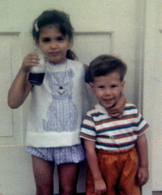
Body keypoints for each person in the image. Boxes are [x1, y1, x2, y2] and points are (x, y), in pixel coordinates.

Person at [8, 10, 126, 195]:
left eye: (59, 39)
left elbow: (106, 83)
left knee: (68, 189)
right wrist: (23, 70)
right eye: (46, 40)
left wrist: (122, 100)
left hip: (70, 141)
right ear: (38, 43)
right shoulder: (36, 70)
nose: (53, 45)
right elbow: (13, 102)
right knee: (43, 190)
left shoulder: (80, 69)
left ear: (69, 41)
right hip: (40, 141)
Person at [80, 54, 149, 195]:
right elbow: (90, 150)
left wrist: (144, 166)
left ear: (122, 85)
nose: (107, 93)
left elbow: (141, 138)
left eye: (113, 86)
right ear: (92, 87)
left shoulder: (132, 111)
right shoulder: (92, 117)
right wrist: (97, 178)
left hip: (129, 163)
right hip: (104, 166)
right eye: (101, 87)